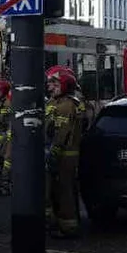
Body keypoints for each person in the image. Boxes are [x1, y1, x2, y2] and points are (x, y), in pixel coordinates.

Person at [44, 66, 84, 238]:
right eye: (49, 83)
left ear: (65, 84)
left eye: (54, 83)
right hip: (54, 153)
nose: (50, 87)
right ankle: (55, 223)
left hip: (65, 157)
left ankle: (68, 227)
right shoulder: (55, 102)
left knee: (64, 191)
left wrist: (53, 153)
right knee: (54, 191)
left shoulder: (67, 105)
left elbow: (62, 133)